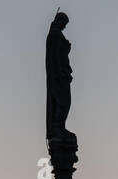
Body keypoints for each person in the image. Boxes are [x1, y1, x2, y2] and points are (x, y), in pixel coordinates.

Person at [46, 12, 72, 140]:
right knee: (63, 102)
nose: (65, 27)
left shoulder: (55, 34)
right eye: (64, 24)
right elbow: (56, 56)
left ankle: (60, 126)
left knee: (63, 102)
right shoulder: (55, 34)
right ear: (60, 21)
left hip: (60, 74)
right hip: (58, 75)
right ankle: (57, 127)